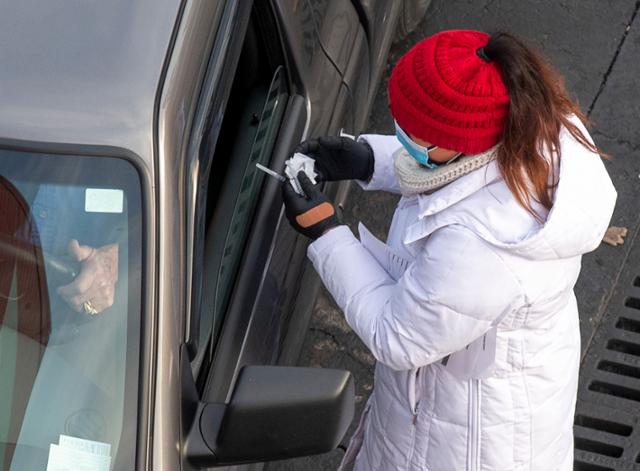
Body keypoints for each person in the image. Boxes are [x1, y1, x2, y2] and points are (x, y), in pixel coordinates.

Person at [281, 30, 616, 470]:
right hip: (468, 406)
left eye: (411, 134)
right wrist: (369, 160)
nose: (401, 136)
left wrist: (326, 234)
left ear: (457, 142)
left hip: (467, 445)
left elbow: (396, 335)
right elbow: (447, 176)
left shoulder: (482, 247)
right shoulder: (524, 130)